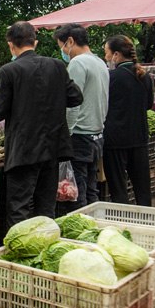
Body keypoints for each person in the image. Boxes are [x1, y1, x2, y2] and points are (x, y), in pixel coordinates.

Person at [0, 21, 83, 227]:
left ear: (11, 45)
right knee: (46, 207)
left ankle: (20, 246)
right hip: (52, 148)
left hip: (23, 151)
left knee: (19, 208)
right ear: (35, 42)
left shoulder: (9, 71)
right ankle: (46, 242)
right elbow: (76, 97)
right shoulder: (57, 66)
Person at [54, 23, 109, 211]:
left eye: (62, 46)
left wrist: (65, 134)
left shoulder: (78, 63)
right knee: (92, 189)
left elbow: (72, 104)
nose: (63, 51)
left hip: (79, 136)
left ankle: (82, 223)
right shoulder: (100, 62)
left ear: (70, 41)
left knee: (77, 192)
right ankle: (94, 223)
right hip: (97, 135)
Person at [102, 35, 153, 206]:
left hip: (115, 140)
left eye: (107, 53)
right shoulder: (144, 76)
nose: (106, 57)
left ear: (116, 54)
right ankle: (148, 219)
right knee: (143, 189)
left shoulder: (111, 77)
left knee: (118, 190)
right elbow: (148, 105)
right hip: (139, 137)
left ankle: (122, 220)